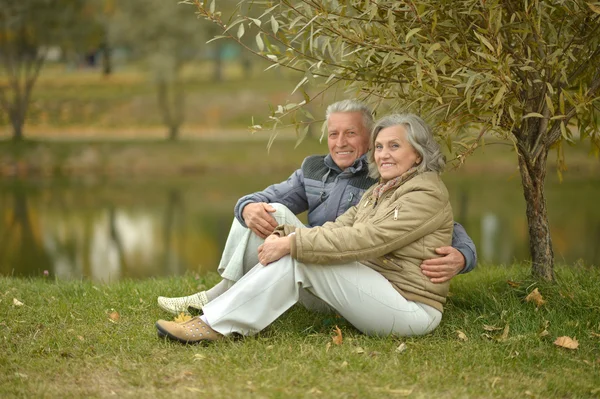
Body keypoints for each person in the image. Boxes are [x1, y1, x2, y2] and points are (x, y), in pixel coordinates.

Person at [156, 100, 477, 315]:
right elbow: (269, 198)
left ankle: (224, 311)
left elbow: (441, 225)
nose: (341, 142)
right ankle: (221, 295)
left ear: (368, 137)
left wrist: (464, 255)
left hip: (356, 272)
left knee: (279, 230)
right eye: (333, 134)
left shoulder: (387, 178)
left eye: (351, 133)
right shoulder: (314, 169)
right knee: (263, 209)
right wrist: (247, 207)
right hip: (323, 256)